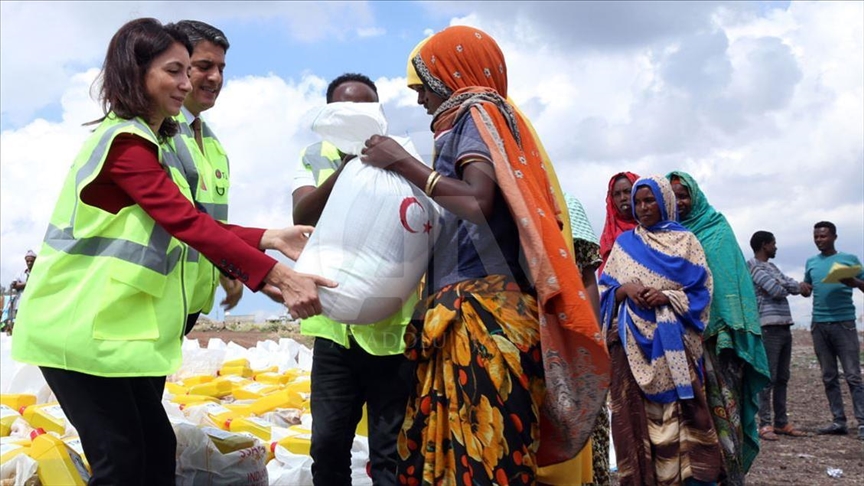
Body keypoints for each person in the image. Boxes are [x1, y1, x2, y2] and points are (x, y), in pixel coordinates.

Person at [10, 18, 335, 485]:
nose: (189, 84)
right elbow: (185, 222)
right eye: (176, 71)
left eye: (191, 70)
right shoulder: (125, 143)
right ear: (135, 73)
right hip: (77, 333)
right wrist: (277, 277)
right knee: (120, 461)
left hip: (121, 335)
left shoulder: (155, 145)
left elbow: (190, 220)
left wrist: (269, 236)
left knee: (156, 452)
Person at [362, 25, 609, 484]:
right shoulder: (490, 124)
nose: (419, 100)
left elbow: (477, 202)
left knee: (480, 459)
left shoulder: (478, 114)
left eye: (424, 86)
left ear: (450, 75)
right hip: (477, 315)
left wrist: (401, 161)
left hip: (483, 321)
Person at [292, 73, 416, 485]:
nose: (358, 118)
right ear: (331, 113)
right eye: (348, 110)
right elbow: (302, 215)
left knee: (389, 450)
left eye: (367, 109)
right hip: (334, 331)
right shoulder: (316, 155)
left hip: (391, 334)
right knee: (327, 444)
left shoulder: (400, 155)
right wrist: (345, 171)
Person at [599, 175, 722, 486]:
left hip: (675, 348)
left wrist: (667, 297)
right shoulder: (625, 245)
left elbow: (702, 290)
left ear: (664, 202)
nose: (642, 208)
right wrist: (624, 290)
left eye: (649, 200)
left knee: (684, 414)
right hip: (631, 348)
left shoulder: (687, 242)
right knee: (636, 417)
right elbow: (603, 291)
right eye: (638, 202)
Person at [667, 171, 770, 484]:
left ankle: (728, 475)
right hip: (680, 339)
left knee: (723, 410)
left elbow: (730, 285)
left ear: (695, 196)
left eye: (684, 195)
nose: (680, 203)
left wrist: (722, 328)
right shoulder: (666, 235)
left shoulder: (716, 230)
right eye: (673, 197)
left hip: (720, 340)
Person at [169, 20, 243, 334]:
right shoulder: (156, 134)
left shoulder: (214, 145)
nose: (215, 77)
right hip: (154, 296)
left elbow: (210, 222)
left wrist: (227, 267)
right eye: (204, 66)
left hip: (189, 302)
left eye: (221, 68)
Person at [801, 221, 864, 440]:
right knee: (829, 376)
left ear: (834, 237)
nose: (819, 240)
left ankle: (862, 422)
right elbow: (808, 289)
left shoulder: (850, 260)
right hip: (819, 324)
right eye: (816, 237)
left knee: (853, 375)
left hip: (844, 323)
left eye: (823, 236)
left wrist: (855, 281)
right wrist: (804, 288)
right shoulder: (811, 262)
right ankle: (839, 421)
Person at [747, 230, 808, 440]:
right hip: (768, 326)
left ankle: (781, 422)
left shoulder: (771, 267)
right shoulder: (752, 266)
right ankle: (765, 424)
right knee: (768, 377)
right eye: (773, 244)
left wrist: (788, 285)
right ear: (765, 245)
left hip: (783, 325)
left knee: (782, 376)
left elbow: (787, 283)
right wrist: (789, 286)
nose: (776, 247)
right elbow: (777, 289)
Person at [598, 171, 640, 275]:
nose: (623, 198)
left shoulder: (654, 228)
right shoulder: (610, 234)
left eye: (627, 191)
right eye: (617, 194)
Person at [4, 250, 36, 334]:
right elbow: (13, 285)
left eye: (31, 261)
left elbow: (37, 283)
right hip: (21, 303)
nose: (29, 263)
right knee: (20, 322)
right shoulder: (20, 273)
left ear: (35, 261)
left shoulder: (38, 273)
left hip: (34, 302)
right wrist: (28, 283)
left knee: (32, 322)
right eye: (27, 261)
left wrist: (20, 285)